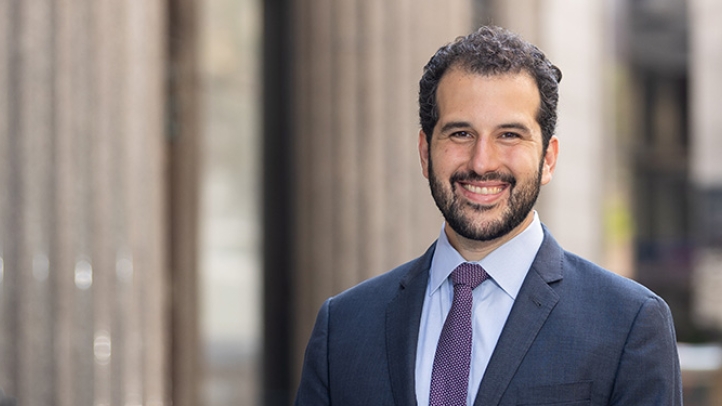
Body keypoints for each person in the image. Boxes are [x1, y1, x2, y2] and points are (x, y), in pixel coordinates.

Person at [294, 26, 682, 406]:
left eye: (509, 135)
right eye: (460, 133)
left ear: (548, 159)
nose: (482, 162)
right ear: (426, 153)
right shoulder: (343, 327)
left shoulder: (628, 323)